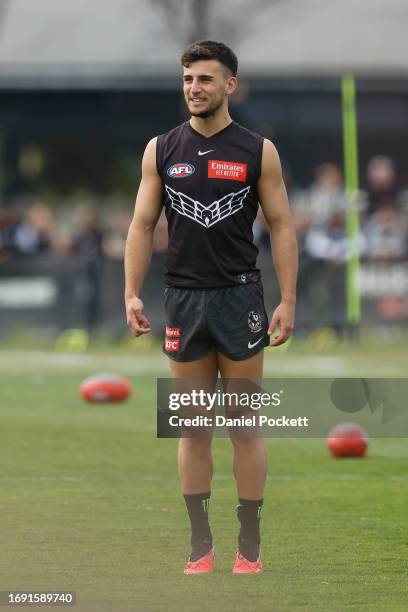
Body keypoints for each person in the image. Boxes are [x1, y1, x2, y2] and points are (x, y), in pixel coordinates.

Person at [124, 40, 298, 575]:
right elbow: (142, 225)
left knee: (244, 425)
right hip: (182, 299)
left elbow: (283, 226)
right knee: (193, 427)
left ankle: (250, 543)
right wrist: (131, 291)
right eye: (187, 80)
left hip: (240, 297)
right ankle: (201, 545)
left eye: (204, 79)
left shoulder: (257, 149)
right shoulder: (161, 149)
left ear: (229, 85)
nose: (194, 88)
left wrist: (288, 300)